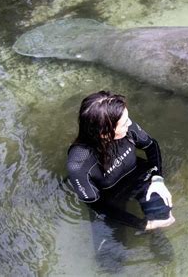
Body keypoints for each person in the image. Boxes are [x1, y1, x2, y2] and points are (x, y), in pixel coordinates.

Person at [66, 90, 175, 231]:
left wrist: (157, 179)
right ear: (104, 133)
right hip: (110, 196)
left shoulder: (127, 126)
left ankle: (157, 236)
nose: (129, 123)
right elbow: (97, 205)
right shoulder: (79, 164)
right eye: (123, 124)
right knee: (110, 249)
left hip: (139, 176)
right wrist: (143, 224)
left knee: (163, 216)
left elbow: (151, 146)